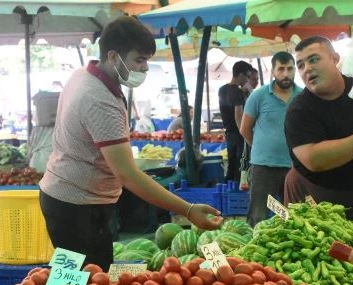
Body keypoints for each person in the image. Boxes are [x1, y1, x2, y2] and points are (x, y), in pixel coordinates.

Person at [38, 16, 222, 270]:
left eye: (146, 60)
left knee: (85, 279)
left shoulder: (84, 74)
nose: (145, 68)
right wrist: (188, 210)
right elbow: (127, 175)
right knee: (79, 282)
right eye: (139, 60)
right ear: (113, 57)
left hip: (67, 197)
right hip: (75, 206)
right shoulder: (99, 100)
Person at [283, 36, 353, 264]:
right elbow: (314, 159)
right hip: (314, 200)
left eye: (314, 59)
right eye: (301, 65)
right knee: (316, 262)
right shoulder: (299, 110)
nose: (307, 69)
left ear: (335, 59)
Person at [239, 51, 303, 226]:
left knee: (292, 216)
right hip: (263, 167)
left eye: (290, 69)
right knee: (258, 215)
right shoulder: (258, 96)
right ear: (273, 71)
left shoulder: (303, 96)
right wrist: (261, 149)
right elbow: (245, 129)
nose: (285, 74)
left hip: (294, 166)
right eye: (281, 69)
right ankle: (254, 243)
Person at [219, 60, 252, 183]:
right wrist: (246, 135)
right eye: (247, 76)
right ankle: (238, 188)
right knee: (240, 166)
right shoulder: (237, 92)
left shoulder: (222, 89)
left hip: (229, 132)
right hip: (238, 134)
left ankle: (229, 186)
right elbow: (238, 117)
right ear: (241, 75)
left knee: (231, 164)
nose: (248, 80)